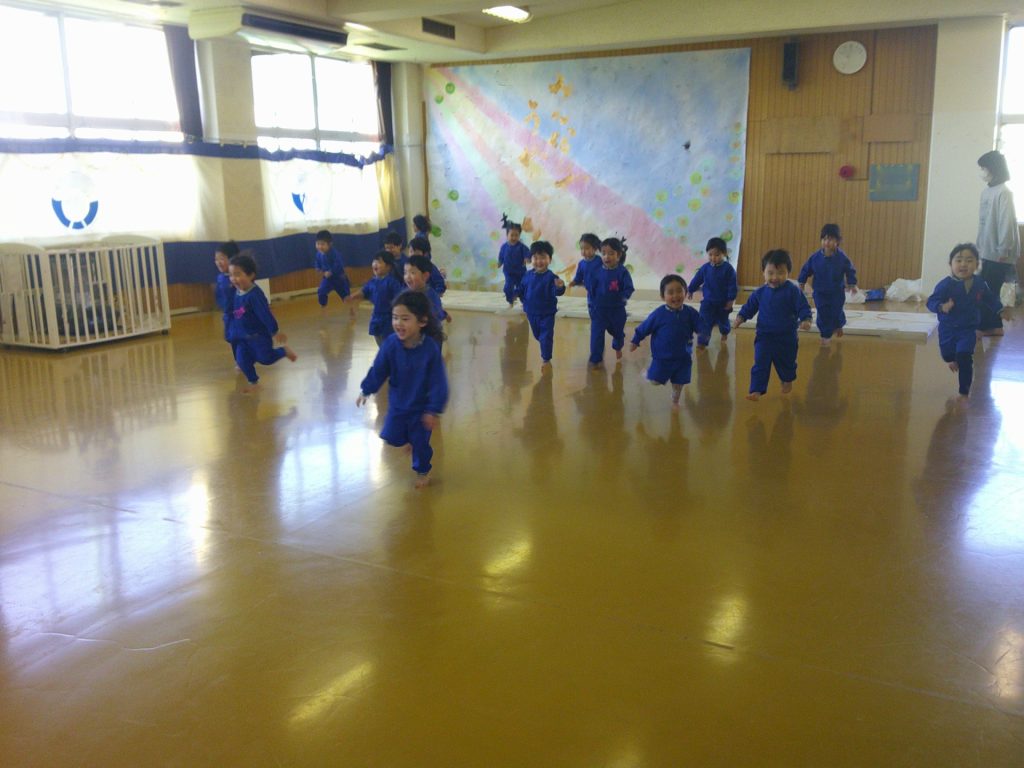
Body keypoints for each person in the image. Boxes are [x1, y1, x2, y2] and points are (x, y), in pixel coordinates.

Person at [357, 291, 449, 489]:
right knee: (392, 436)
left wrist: (433, 409)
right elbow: (379, 369)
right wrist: (366, 389)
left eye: (405, 319)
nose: (398, 323)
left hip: (421, 410)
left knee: (421, 444)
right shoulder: (391, 345)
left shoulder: (430, 349)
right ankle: (410, 440)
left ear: (422, 321)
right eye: (395, 317)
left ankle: (422, 471)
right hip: (398, 405)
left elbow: (438, 382)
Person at [926, 243, 1009, 400]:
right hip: (948, 328)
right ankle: (952, 359)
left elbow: (990, 299)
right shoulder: (946, 284)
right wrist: (941, 306)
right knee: (947, 354)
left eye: (969, 260)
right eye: (959, 260)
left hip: (968, 328)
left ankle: (964, 391)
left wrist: (1001, 310)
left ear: (977, 265)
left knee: (965, 356)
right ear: (951, 264)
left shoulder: (979, 284)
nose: (963, 264)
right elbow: (931, 301)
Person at [732, 249, 812, 401]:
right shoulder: (760, 292)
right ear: (763, 273)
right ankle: (756, 389)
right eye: (770, 273)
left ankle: (787, 379)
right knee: (760, 362)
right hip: (764, 336)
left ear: (788, 273)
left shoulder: (793, 291)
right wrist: (741, 317)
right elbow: (750, 306)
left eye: (780, 273)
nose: (775, 277)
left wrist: (806, 319)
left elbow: (803, 306)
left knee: (787, 363)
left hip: (787, 337)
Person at [225, 252, 297, 391]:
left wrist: (274, 331)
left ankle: (284, 351)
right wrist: (232, 322)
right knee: (242, 360)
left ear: (251, 275)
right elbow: (241, 310)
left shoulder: (255, 295)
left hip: (258, 336)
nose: (233, 279)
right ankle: (254, 382)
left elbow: (264, 314)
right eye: (231, 275)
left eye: (237, 274)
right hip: (242, 337)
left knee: (265, 358)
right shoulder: (237, 292)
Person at [630, 274, 701, 407]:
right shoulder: (659, 314)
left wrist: (704, 335)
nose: (675, 296)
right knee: (655, 381)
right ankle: (648, 373)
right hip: (662, 357)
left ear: (685, 292)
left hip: (683, 357)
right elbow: (645, 327)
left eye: (679, 291)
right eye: (670, 292)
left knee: (679, 381)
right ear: (663, 296)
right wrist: (635, 340)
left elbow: (700, 326)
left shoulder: (690, 313)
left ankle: (675, 399)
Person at [976, 150, 1020, 335]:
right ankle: (992, 325)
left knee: (991, 290)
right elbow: (983, 223)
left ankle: (991, 326)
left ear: (993, 169)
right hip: (987, 250)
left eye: (983, 168)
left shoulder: (1004, 192)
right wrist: (979, 247)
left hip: (1000, 252)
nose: (982, 172)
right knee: (986, 289)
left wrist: (1004, 248)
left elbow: (1006, 222)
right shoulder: (987, 192)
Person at [797, 223, 858, 346]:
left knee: (836, 310)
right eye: (824, 239)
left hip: (837, 292)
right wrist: (801, 281)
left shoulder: (842, 258)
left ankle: (838, 324)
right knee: (823, 313)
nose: (827, 242)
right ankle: (825, 335)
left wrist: (852, 284)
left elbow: (850, 270)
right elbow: (806, 269)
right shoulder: (815, 258)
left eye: (830, 239)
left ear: (838, 241)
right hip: (820, 292)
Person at [588, 237, 635, 368]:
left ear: (618, 255)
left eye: (611, 253)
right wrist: (591, 305)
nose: (606, 257)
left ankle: (618, 346)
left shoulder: (622, 272)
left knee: (617, 333)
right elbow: (591, 289)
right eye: (603, 253)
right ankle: (596, 359)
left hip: (617, 311)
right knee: (596, 334)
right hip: (599, 311)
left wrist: (623, 297)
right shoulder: (596, 271)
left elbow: (629, 288)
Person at [517, 240, 566, 364]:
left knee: (545, 336)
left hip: (547, 313)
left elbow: (558, 291)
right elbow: (522, 289)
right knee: (537, 335)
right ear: (531, 259)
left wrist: (560, 287)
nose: (539, 261)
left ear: (550, 260)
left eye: (543, 258)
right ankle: (544, 345)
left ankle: (546, 358)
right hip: (531, 312)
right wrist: (516, 294)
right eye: (536, 258)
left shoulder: (551, 277)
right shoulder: (527, 275)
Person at [688, 236, 738, 350]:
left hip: (723, 303)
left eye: (717, 255)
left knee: (723, 321)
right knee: (704, 321)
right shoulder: (705, 268)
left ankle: (724, 332)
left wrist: (731, 300)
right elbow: (697, 279)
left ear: (724, 254)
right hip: (708, 302)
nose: (713, 258)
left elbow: (732, 286)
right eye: (710, 254)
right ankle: (702, 342)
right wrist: (690, 289)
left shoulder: (728, 269)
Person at [347, 250, 405, 346]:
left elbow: (399, 297)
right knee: (378, 339)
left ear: (388, 266)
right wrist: (353, 296)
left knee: (388, 341)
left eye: (379, 262)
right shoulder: (372, 281)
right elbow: (364, 291)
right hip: (376, 317)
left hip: (388, 318)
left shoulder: (392, 282)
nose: (375, 264)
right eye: (374, 261)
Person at [403, 255, 448, 328]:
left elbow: (437, 315)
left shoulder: (431, 295)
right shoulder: (404, 294)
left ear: (425, 276)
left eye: (412, 273)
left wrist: (444, 314)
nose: (407, 276)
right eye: (405, 272)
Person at [214, 240, 239, 362]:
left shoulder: (237, 277)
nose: (218, 262)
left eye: (222, 258)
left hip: (239, 312)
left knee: (238, 336)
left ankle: (242, 360)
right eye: (216, 259)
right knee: (230, 338)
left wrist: (240, 312)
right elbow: (219, 295)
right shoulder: (220, 278)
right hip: (228, 314)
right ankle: (240, 359)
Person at [497, 214, 530, 307]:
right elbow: (501, 255)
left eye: (516, 235)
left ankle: (524, 302)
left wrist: (527, 258)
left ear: (519, 236)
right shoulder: (504, 247)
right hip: (509, 272)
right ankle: (510, 300)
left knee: (522, 288)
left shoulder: (522, 247)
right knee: (508, 286)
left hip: (521, 272)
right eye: (512, 235)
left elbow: (528, 253)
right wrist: (500, 262)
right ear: (507, 235)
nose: (514, 237)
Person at [313, 230, 351, 310]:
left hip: (339, 278)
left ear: (330, 244)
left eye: (322, 244)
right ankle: (323, 306)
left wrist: (331, 271)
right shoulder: (318, 254)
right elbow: (317, 262)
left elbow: (338, 264)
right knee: (321, 291)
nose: (320, 247)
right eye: (318, 244)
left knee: (346, 297)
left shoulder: (334, 253)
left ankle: (351, 309)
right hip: (328, 279)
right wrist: (318, 268)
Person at [568, 233, 602, 317]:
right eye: (581, 248)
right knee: (592, 307)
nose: (583, 251)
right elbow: (579, 276)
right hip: (590, 291)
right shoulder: (581, 263)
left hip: (601, 290)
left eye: (587, 248)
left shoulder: (600, 261)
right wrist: (574, 282)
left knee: (601, 307)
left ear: (595, 248)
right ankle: (594, 319)